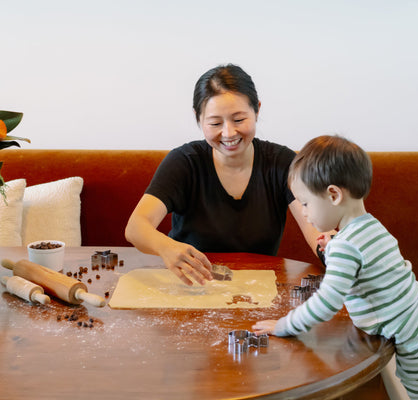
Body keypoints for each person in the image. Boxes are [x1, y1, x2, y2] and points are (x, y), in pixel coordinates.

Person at [252, 135, 418, 399]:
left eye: (305, 203)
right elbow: (364, 257)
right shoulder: (370, 226)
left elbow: (327, 302)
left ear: (333, 195)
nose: (303, 212)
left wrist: (284, 326)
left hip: (417, 343)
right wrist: (336, 241)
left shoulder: (347, 247)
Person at [124, 64, 322, 286]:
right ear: (198, 118)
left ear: (257, 110)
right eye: (215, 123)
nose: (228, 133)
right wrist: (167, 248)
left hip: (258, 287)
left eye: (239, 120)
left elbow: (316, 227)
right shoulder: (185, 162)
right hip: (191, 285)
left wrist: (337, 255)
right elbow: (135, 228)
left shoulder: (282, 162)